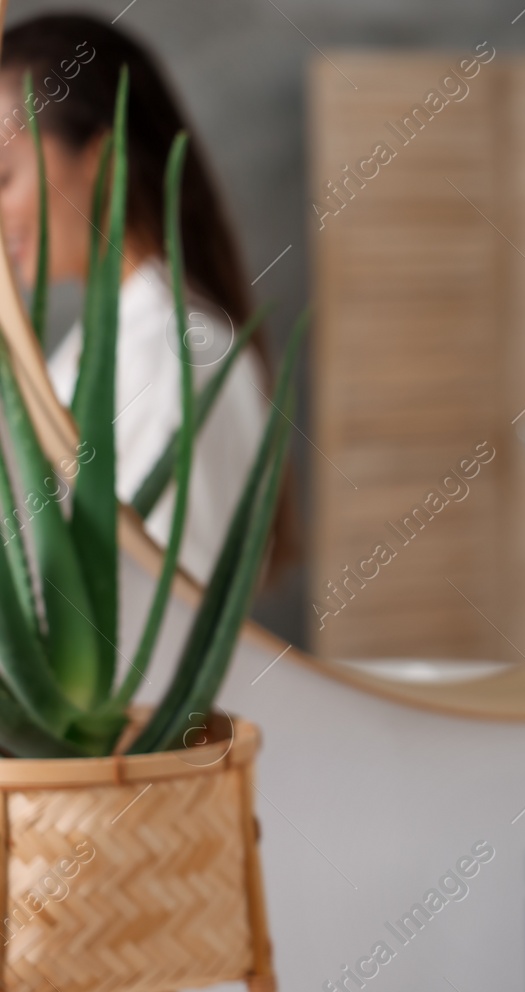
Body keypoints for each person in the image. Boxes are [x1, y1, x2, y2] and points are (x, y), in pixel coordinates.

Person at [0, 13, 280, 582]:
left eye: (4, 178)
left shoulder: (179, 353)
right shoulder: (107, 341)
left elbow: (170, 622)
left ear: (102, 161)